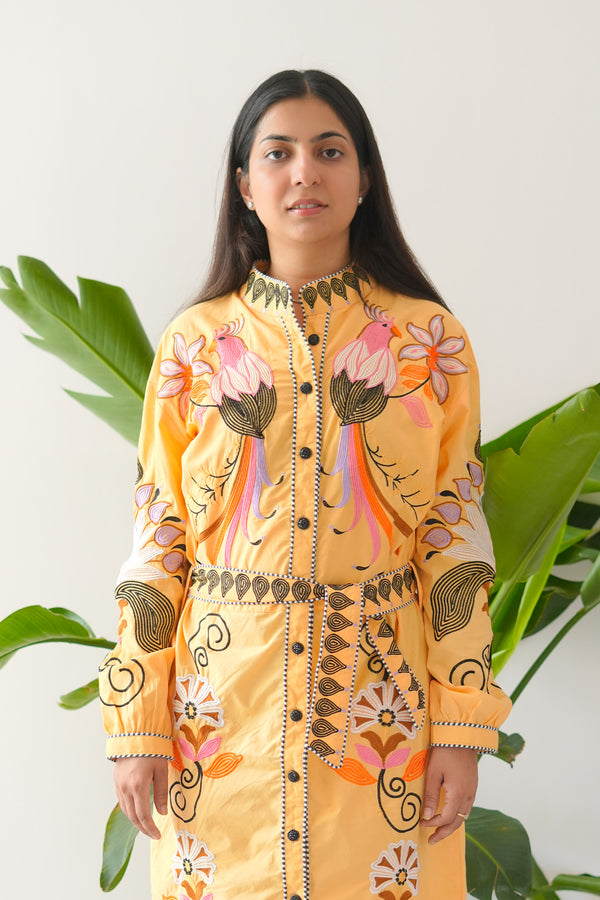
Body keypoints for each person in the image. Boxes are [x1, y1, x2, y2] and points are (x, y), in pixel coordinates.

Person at [99, 69, 511, 900]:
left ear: (365, 180)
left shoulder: (429, 342)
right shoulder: (194, 347)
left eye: (330, 151)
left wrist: (461, 728)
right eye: (277, 153)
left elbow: (454, 541)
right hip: (218, 725)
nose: (304, 173)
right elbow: (159, 539)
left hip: (380, 726)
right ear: (245, 186)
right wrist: (137, 720)